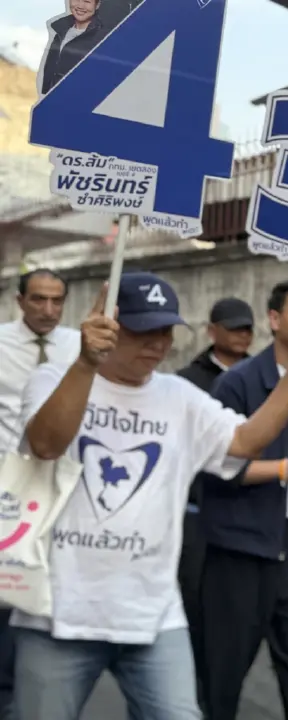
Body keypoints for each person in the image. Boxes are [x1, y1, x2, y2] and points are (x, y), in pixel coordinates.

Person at [13, 272, 288, 720]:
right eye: (142, 329)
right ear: (108, 323)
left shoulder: (180, 397)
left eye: (165, 330)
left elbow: (244, 442)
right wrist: (84, 364)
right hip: (57, 613)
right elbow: (45, 444)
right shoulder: (55, 378)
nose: (157, 342)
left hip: (155, 616)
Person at [200, 280, 288, 720]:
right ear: (275, 320)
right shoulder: (237, 383)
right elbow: (217, 466)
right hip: (241, 545)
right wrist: (282, 470)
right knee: (224, 669)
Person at [0, 268, 80, 720]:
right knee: (7, 587)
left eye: (56, 300)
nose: (48, 310)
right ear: (19, 301)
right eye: (38, 300)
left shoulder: (76, 346)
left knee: (44, 589)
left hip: (59, 485)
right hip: (6, 487)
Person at [176, 296, 255, 710]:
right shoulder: (186, 382)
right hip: (195, 513)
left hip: (245, 518)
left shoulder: (264, 379)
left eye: (248, 328)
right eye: (234, 327)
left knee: (229, 627)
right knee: (195, 613)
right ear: (212, 331)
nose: (243, 335)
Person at [39, 0, 106, 96]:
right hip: (51, 100)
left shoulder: (102, 38)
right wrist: (45, 95)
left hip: (77, 102)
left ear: (97, 5)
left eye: (87, 1)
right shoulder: (60, 30)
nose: (80, 6)